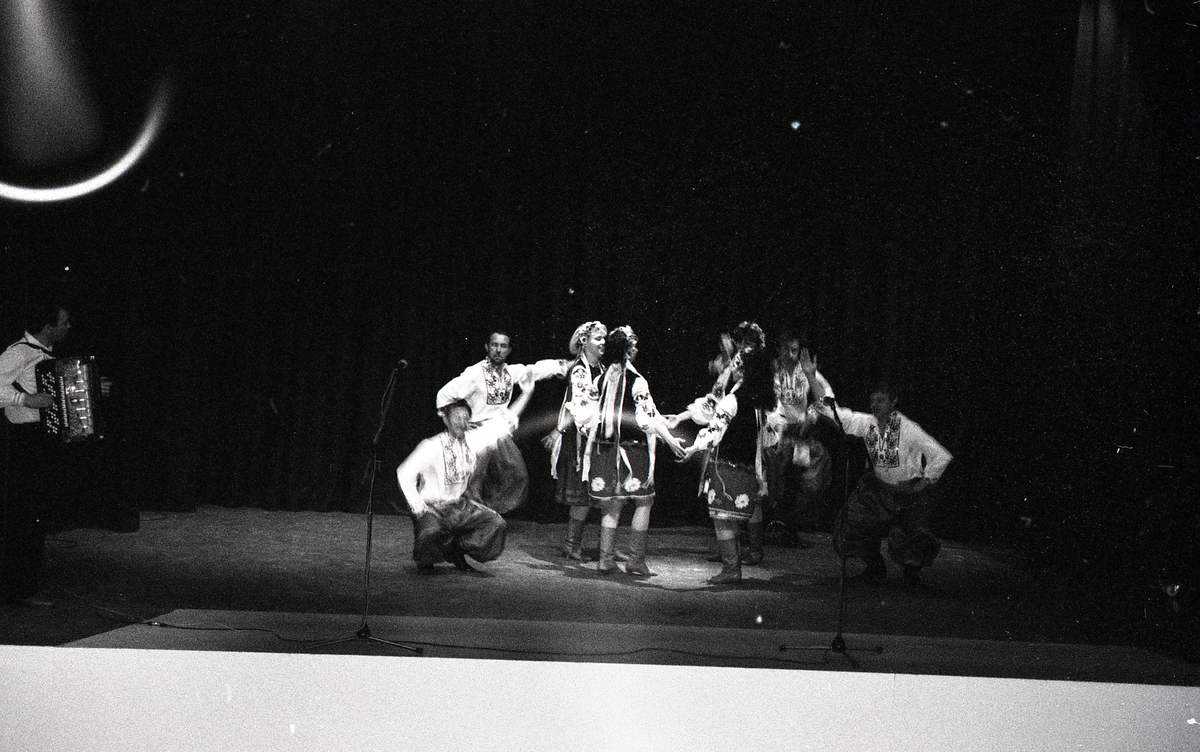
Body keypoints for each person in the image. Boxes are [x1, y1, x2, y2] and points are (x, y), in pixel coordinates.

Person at [396, 379, 533, 575]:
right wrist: (416, 503)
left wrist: (526, 394)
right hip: (432, 508)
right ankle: (428, 553)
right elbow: (404, 472)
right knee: (430, 537)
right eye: (456, 418)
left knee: (495, 524)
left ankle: (457, 548)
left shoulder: (472, 441)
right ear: (446, 419)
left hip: (459, 506)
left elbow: (503, 423)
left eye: (465, 418)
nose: (461, 422)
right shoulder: (431, 446)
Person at [675, 322, 776, 584]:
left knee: (721, 518)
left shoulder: (734, 399)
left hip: (727, 468)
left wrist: (693, 448)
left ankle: (732, 568)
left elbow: (714, 430)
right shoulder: (756, 399)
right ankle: (736, 563)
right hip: (745, 468)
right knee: (730, 518)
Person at [829, 382, 953, 586]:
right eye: (872, 400)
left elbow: (940, 455)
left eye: (881, 400)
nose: (875, 405)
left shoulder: (908, 428)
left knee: (913, 532)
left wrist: (924, 482)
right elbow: (838, 415)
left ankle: (912, 574)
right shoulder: (867, 423)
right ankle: (875, 567)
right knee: (850, 522)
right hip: (878, 489)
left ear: (893, 401)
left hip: (907, 493)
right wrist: (810, 376)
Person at [583, 327, 685, 575]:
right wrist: (670, 440)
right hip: (632, 452)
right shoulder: (637, 382)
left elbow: (587, 418)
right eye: (634, 346)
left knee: (613, 506)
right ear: (628, 351)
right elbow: (646, 419)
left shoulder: (601, 380)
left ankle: (605, 560)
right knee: (644, 501)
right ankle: (635, 559)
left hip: (606, 451)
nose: (637, 350)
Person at [436, 331, 566, 514]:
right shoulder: (475, 373)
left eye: (503, 346)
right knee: (474, 479)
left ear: (509, 350)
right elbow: (444, 395)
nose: (498, 350)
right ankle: (469, 518)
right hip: (477, 432)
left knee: (517, 475)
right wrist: (457, 424)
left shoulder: (510, 373)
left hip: (498, 432)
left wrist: (564, 365)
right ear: (487, 347)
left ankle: (487, 513)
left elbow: (535, 370)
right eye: (494, 345)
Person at [0, 301, 73, 605]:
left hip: (41, 440)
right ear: (48, 327)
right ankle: (19, 589)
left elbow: (57, 392)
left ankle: (28, 583)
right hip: (23, 441)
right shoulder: (19, 352)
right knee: (24, 516)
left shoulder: (44, 356)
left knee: (35, 514)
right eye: (64, 321)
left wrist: (92, 388)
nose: (68, 327)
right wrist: (24, 400)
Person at [761, 331, 836, 545]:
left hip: (799, 434)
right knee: (771, 480)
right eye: (787, 349)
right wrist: (778, 422)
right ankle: (759, 528)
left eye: (795, 350)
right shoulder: (772, 369)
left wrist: (811, 417)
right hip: (775, 433)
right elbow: (768, 400)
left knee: (799, 481)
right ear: (779, 349)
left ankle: (789, 530)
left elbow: (827, 395)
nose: (791, 355)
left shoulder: (805, 371)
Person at [540, 321, 606, 562]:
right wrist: (558, 431)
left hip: (598, 439)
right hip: (580, 439)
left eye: (604, 339)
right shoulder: (580, 370)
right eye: (598, 338)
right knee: (583, 494)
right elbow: (577, 407)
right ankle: (571, 544)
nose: (602, 343)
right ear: (584, 342)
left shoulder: (603, 367)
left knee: (603, 493)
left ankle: (604, 546)